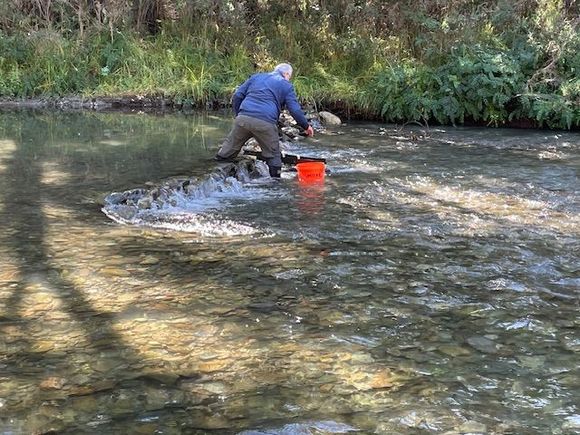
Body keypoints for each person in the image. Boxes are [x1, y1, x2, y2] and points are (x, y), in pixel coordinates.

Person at [215, 63, 314, 178]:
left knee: (225, 154)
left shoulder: (256, 77)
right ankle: (275, 185)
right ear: (286, 74)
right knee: (273, 156)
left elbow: (238, 95)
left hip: (243, 119)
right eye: (289, 76)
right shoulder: (286, 85)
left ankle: (219, 175)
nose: (288, 79)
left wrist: (238, 115)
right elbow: (294, 109)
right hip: (265, 123)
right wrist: (306, 126)